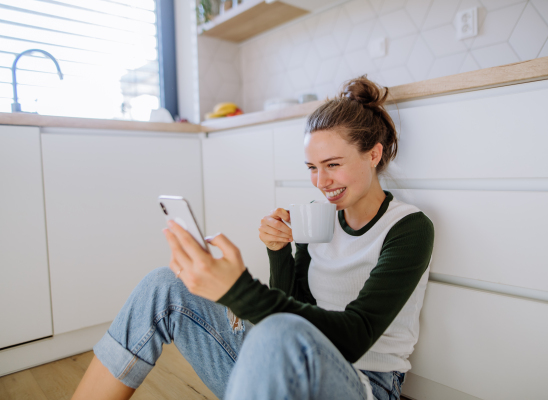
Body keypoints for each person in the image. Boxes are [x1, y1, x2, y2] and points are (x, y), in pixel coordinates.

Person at [72, 76, 434, 400]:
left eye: (333, 165)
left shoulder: (409, 228)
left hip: (364, 381)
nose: (321, 183)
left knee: (276, 334)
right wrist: (279, 252)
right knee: (163, 285)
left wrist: (238, 290)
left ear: (373, 154)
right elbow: (297, 303)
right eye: (312, 168)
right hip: (286, 360)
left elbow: (356, 335)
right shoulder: (318, 215)